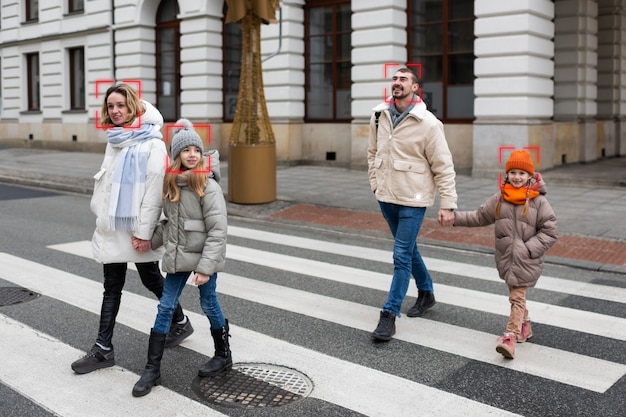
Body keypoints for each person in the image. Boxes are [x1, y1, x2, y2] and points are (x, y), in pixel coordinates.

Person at [71, 84, 193, 374]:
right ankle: (103, 348)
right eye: (110, 106)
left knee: (151, 279)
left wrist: (143, 233)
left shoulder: (152, 143)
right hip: (114, 225)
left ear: (133, 107)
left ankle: (179, 322)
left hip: (137, 228)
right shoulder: (115, 138)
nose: (115, 111)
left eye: (121, 105)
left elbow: (153, 193)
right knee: (112, 285)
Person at [131, 119, 229, 397]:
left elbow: (218, 230)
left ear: (200, 153)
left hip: (203, 259)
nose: (191, 154)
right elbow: (169, 226)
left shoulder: (207, 186)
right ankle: (152, 369)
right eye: (185, 150)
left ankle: (223, 354)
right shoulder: (172, 184)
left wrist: (206, 268)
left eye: (195, 150)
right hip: (178, 257)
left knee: (209, 303)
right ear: (177, 156)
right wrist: (150, 240)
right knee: (165, 307)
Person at [367, 67, 457, 341]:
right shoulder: (378, 115)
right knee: (408, 250)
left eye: (403, 79)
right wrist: (375, 183)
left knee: (401, 256)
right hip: (386, 197)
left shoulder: (428, 123)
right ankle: (427, 292)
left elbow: (444, 166)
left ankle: (389, 314)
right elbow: (372, 153)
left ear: (415, 87)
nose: (397, 83)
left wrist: (448, 203)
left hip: (413, 200)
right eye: (394, 79)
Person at [452, 149, 558, 359]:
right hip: (506, 259)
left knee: (517, 297)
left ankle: (510, 337)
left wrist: (528, 249)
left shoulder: (538, 202)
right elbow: (478, 216)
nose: (517, 177)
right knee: (515, 295)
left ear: (530, 176)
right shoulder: (500, 199)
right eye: (513, 173)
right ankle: (525, 327)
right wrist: (454, 218)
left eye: (522, 173)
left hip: (526, 260)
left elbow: (550, 231)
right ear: (507, 174)